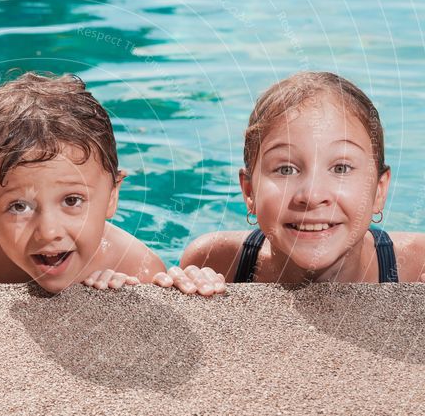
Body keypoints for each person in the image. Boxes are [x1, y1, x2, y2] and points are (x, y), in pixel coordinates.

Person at [0, 72, 225, 298]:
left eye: (72, 201)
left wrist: (121, 298)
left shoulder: (135, 265)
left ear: (112, 197)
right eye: (18, 206)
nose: (49, 231)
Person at [182, 71, 425, 283]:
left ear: (379, 190)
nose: (312, 195)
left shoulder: (416, 264)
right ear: (249, 192)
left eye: (341, 168)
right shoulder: (217, 262)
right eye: (286, 169)